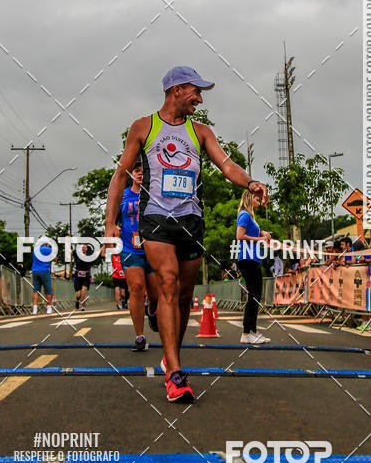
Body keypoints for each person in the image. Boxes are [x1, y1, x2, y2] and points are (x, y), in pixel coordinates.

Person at [105, 65, 268, 403]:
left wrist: (249, 181)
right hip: (155, 220)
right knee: (167, 281)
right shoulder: (143, 127)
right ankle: (175, 374)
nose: (200, 97)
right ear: (176, 89)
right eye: (196, 90)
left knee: (182, 298)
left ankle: (171, 354)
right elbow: (120, 175)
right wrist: (111, 221)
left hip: (190, 221)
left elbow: (226, 164)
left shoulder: (201, 132)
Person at [117, 161, 158, 351]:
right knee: (136, 288)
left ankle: (152, 310)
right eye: (137, 171)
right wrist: (112, 228)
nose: (140, 174)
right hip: (130, 249)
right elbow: (113, 216)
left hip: (152, 248)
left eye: (143, 171)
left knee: (155, 295)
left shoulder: (154, 193)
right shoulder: (123, 195)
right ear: (131, 174)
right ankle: (140, 336)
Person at [235, 190, 272, 344]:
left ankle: (253, 331)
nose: (258, 202)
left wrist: (262, 233)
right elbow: (240, 236)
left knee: (255, 296)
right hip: (247, 258)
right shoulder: (244, 214)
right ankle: (246, 332)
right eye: (257, 200)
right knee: (254, 296)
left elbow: (251, 231)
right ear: (250, 200)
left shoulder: (250, 217)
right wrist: (259, 238)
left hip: (252, 258)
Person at [31, 242, 53, 315]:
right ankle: (49, 308)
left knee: (36, 290)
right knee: (48, 290)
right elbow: (55, 259)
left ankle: (34, 309)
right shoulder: (48, 249)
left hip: (35, 271)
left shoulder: (35, 249)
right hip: (44, 270)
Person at [73, 244, 92, 311]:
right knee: (78, 295)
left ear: (87, 249)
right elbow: (70, 251)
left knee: (84, 291)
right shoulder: (77, 255)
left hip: (86, 276)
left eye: (85, 247)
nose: (83, 248)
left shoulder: (89, 256)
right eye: (82, 247)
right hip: (78, 277)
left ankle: (83, 306)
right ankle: (77, 301)